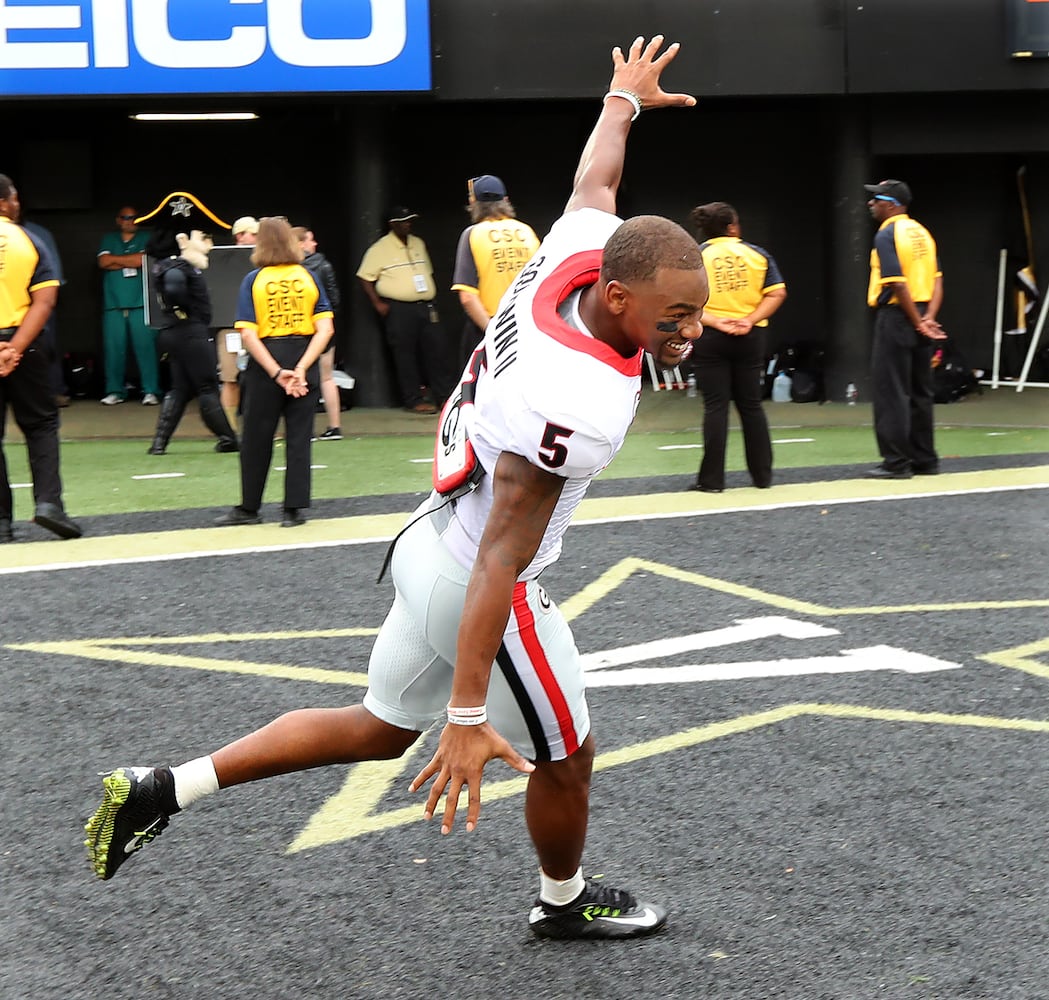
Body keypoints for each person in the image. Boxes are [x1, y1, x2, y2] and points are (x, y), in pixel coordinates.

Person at [85, 36, 702, 941]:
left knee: (377, 726)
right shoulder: (580, 399)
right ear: (615, 299)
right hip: (480, 579)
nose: (693, 329)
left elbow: (593, 191)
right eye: (675, 315)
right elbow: (503, 558)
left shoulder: (579, 254)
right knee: (567, 760)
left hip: (428, 538)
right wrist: (462, 714)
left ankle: (160, 787)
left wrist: (620, 103)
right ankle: (562, 903)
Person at [212, 217, 333, 528]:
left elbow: (249, 334)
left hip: (266, 362)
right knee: (299, 436)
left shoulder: (253, 279)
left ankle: (249, 507)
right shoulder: (309, 276)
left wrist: (278, 372)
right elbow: (326, 328)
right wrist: (302, 368)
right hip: (303, 356)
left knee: (255, 437)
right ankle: (293, 510)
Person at [0, 174, 82, 542]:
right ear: (8, 200)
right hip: (25, 344)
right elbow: (45, 301)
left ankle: (1, 522)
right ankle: (49, 504)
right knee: (41, 425)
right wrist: (14, 347)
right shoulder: (30, 239)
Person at [686, 202, 786, 493]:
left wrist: (717, 321)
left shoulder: (696, 256)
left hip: (710, 336)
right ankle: (763, 477)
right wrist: (749, 319)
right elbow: (778, 292)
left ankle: (712, 481)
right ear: (732, 227)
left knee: (715, 407)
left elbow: (686, 302)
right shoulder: (758, 254)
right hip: (750, 336)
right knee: (751, 406)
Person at [140, 197, 240, 456]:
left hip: (174, 332)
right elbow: (174, 289)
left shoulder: (167, 265)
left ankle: (159, 443)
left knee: (181, 389)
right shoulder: (178, 268)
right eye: (204, 237)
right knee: (206, 386)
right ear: (183, 240)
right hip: (189, 332)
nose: (209, 244)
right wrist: (182, 311)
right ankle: (229, 438)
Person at [864, 179, 946, 479]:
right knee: (921, 390)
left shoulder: (887, 233)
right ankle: (925, 460)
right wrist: (928, 318)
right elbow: (937, 279)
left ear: (891, 204)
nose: (871, 204)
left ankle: (896, 463)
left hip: (899, 316)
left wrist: (915, 321)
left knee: (892, 391)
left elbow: (896, 282)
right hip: (922, 312)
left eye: (876, 199)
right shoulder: (922, 232)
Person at [357, 207, 451, 414]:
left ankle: (444, 397)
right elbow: (364, 277)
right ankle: (413, 400)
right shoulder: (379, 248)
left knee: (437, 351)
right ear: (392, 224)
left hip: (426, 305)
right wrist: (377, 303)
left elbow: (427, 271)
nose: (408, 224)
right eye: (403, 221)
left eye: (410, 220)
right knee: (405, 355)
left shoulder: (418, 243)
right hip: (399, 308)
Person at [450, 174, 540, 368]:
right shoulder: (527, 232)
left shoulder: (472, 235)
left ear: (474, 204)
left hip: (490, 327)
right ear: (505, 200)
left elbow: (467, 296)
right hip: (527, 328)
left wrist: (494, 332)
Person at [97, 205, 160, 406]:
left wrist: (117, 262)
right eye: (125, 217)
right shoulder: (109, 239)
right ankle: (115, 391)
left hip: (141, 304)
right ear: (118, 220)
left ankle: (151, 390)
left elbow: (143, 260)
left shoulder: (146, 237)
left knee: (146, 348)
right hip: (114, 305)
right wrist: (128, 261)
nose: (129, 220)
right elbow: (103, 262)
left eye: (133, 217)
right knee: (114, 349)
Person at [293, 226, 343, 441]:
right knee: (326, 377)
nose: (314, 244)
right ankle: (335, 426)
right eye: (310, 240)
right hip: (323, 328)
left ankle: (305, 429)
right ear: (300, 243)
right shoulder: (324, 265)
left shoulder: (290, 269)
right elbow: (335, 300)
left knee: (301, 377)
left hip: (299, 330)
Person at [216, 216, 259, 429]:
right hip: (230, 328)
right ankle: (230, 431)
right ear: (240, 235)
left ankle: (262, 430)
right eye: (254, 234)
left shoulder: (268, 259)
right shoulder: (222, 260)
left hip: (263, 329)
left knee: (264, 383)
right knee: (230, 379)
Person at [21, 217, 69, 407]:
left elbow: (53, 276)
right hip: (7, 303)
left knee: (45, 348)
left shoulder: (38, 234)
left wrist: (43, 303)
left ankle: (54, 391)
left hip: (36, 301)